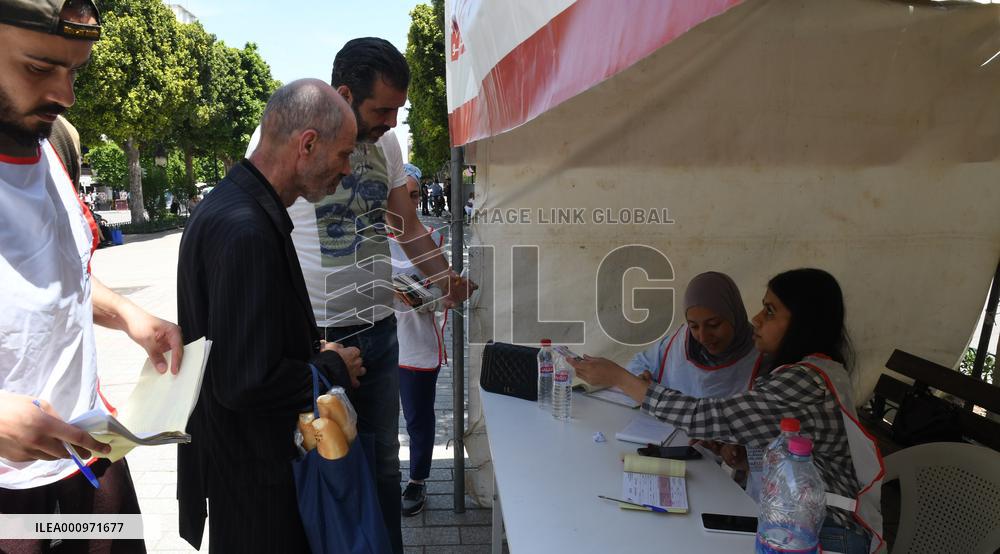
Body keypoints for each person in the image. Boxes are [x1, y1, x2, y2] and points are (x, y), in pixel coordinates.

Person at [245, 38, 475, 553]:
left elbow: (408, 225)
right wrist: (303, 341)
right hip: (315, 343)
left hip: (378, 334)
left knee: (380, 469)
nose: (393, 121)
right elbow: (260, 236)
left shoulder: (389, 147)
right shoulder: (285, 138)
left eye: (398, 108)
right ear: (345, 94)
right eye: (383, 109)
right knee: (317, 471)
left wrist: (445, 278)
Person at [0, 2, 186, 552]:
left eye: (74, 71)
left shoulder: (53, 141)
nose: (64, 95)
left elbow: (58, 278)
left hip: (90, 461)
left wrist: (131, 315)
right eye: (38, 68)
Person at [176, 80, 366, 552]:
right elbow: (244, 380)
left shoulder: (238, 206)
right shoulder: (245, 228)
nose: (345, 171)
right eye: (343, 156)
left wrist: (306, 349)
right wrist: (331, 367)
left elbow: (240, 340)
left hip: (242, 469)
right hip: (256, 480)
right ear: (307, 145)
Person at [572, 268, 883, 554]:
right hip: (799, 523)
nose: (758, 319)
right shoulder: (807, 372)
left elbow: (710, 416)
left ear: (804, 322)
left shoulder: (806, 380)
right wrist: (749, 456)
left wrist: (619, 378)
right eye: (763, 307)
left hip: (823, 534)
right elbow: (796, 449)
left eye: (770, 311)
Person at [391, 163, 448, 517]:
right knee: (378, 422)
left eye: (415, 195)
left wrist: (424, 297)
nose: (410, 203)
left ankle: (418, 480)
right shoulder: (370, 240)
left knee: (418, 419)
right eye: (404, 196)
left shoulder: (433, 238)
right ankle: (384, 477)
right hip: (377, 347)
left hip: (417, 347)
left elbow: (445, 297)